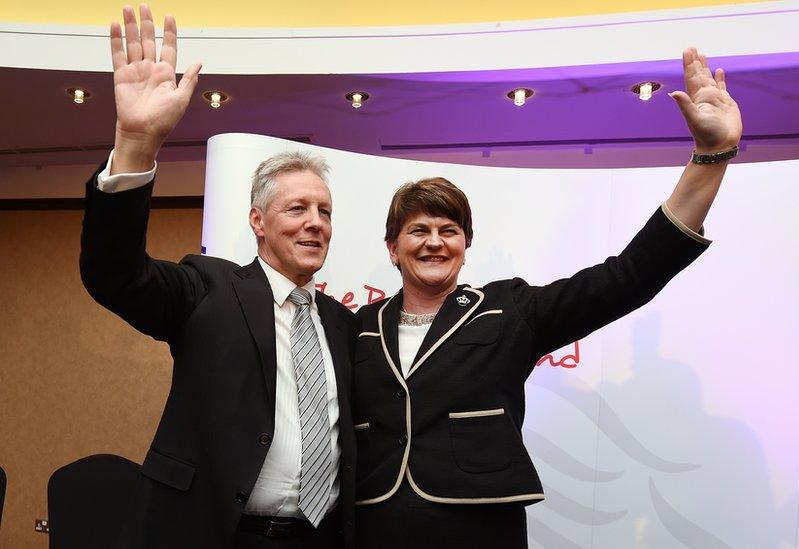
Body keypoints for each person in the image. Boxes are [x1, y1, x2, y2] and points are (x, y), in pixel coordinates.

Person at [351, 47, 742, 548]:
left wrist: (710, 159)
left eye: (448, 230)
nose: (433, 241)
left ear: (465, 248)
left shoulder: (509, 309)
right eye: (417, 230)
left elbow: (628, 277)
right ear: (392, 248)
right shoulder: (356, 325)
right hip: (373, 527)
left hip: (479, 528)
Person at [80, 5, 358, 548]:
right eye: (297, 208)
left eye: (324, 211)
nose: (314, 223)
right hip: (216, 534)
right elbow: (114, 275)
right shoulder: (208, 288)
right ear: (257, 221)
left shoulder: (342, 324)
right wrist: (136, 146)